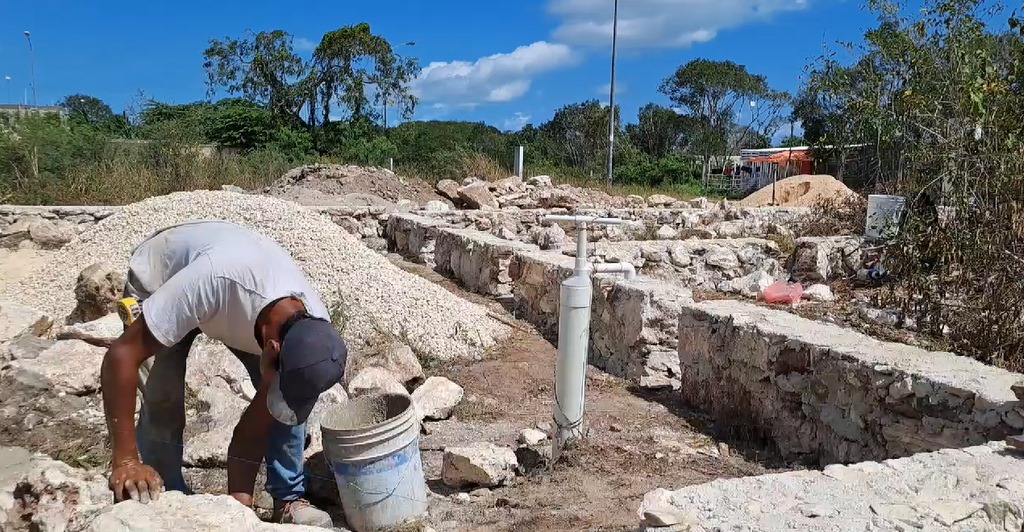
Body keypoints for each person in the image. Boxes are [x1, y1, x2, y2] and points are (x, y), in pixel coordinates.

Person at [100, 220, 347, 528]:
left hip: (236, 307)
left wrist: (237, 511)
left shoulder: (314, 331)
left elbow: (256, 427)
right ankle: (164, 498)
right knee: (163, 395)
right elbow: (121, 355)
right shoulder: (212, 282)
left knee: (287, 409)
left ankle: (288, 497)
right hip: (166, 277)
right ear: (271, 350)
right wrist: (124, 460)